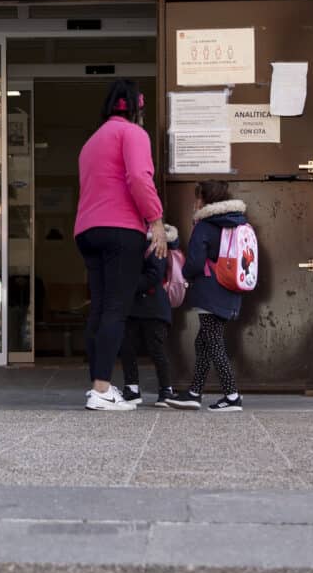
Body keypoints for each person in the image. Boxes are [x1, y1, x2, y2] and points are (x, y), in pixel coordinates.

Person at [74, 79, 165, 412]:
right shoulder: (133, 134)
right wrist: (155, 220)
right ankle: (101, 389)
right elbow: (139, 178)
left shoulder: (91, 142)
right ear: (138, 108)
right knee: (116, 309)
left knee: (99, 309)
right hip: (121, 229)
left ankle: (98, 385)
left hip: (87, 230)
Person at [172, 180, 252, 411]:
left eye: (197, 198)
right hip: (230, 289)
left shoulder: (205, 226)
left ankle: (232, 395)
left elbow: (195, 264)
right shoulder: (236, 223)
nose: (194, 203)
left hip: (209, 291)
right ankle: (195, 392)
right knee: (204, 341)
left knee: (213, 342)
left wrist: (185, 274)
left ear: (206, 200)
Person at [119, 224, 178, 405]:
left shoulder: (156, 240)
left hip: (153, 307)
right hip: (133, 305)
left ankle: (166, 390)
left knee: (156, 349)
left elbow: (155, 274)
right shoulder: (132, 241)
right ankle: (132, 388)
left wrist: (127, 284)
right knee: (127, 347)